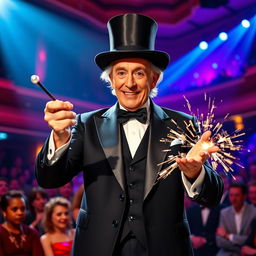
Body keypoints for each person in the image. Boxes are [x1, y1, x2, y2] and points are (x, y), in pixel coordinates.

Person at [35, 13, 223, 256]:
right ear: (111, 80)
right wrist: (59, 138)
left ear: (154, 79)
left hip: (164, 248)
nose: (130, 83)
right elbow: (50, 180)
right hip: (98, 248)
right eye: (121, 73)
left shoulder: (183, 123)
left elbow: (213, 196)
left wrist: (196, 172)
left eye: (139, 73)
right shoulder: (85, 123)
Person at [216, 182, 256, 256]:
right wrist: (241, 247)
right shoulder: (224, 213)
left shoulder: (254, 212)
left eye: (237, 195)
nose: (233, 199)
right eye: (231, 195)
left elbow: (249, 240)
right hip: (226, 253)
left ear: (244, 196)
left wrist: (228, 236)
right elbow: (220, 241)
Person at [0, 190, 44, 256]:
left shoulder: (31, 233)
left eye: (23, 209)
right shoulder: (1, 233)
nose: (20, 213)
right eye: (15, 209)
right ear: (4, 212)